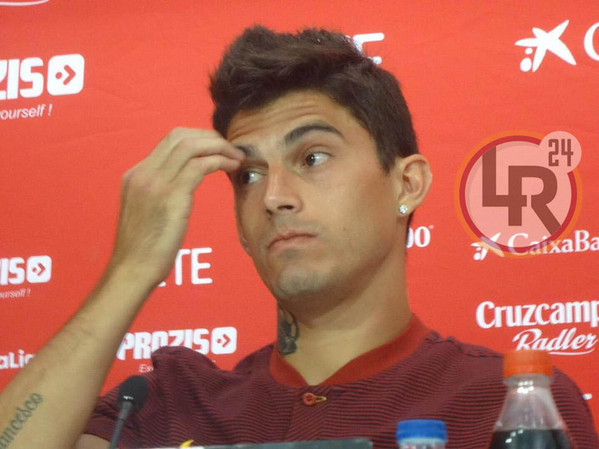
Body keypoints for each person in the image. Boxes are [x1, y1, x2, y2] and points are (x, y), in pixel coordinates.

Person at [0, 26, 597, 449]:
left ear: (407, 183)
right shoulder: (169, 403)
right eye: (249, 175)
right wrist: (130, 269)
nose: (274, 196)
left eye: (312, 157)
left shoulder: (512, 405)